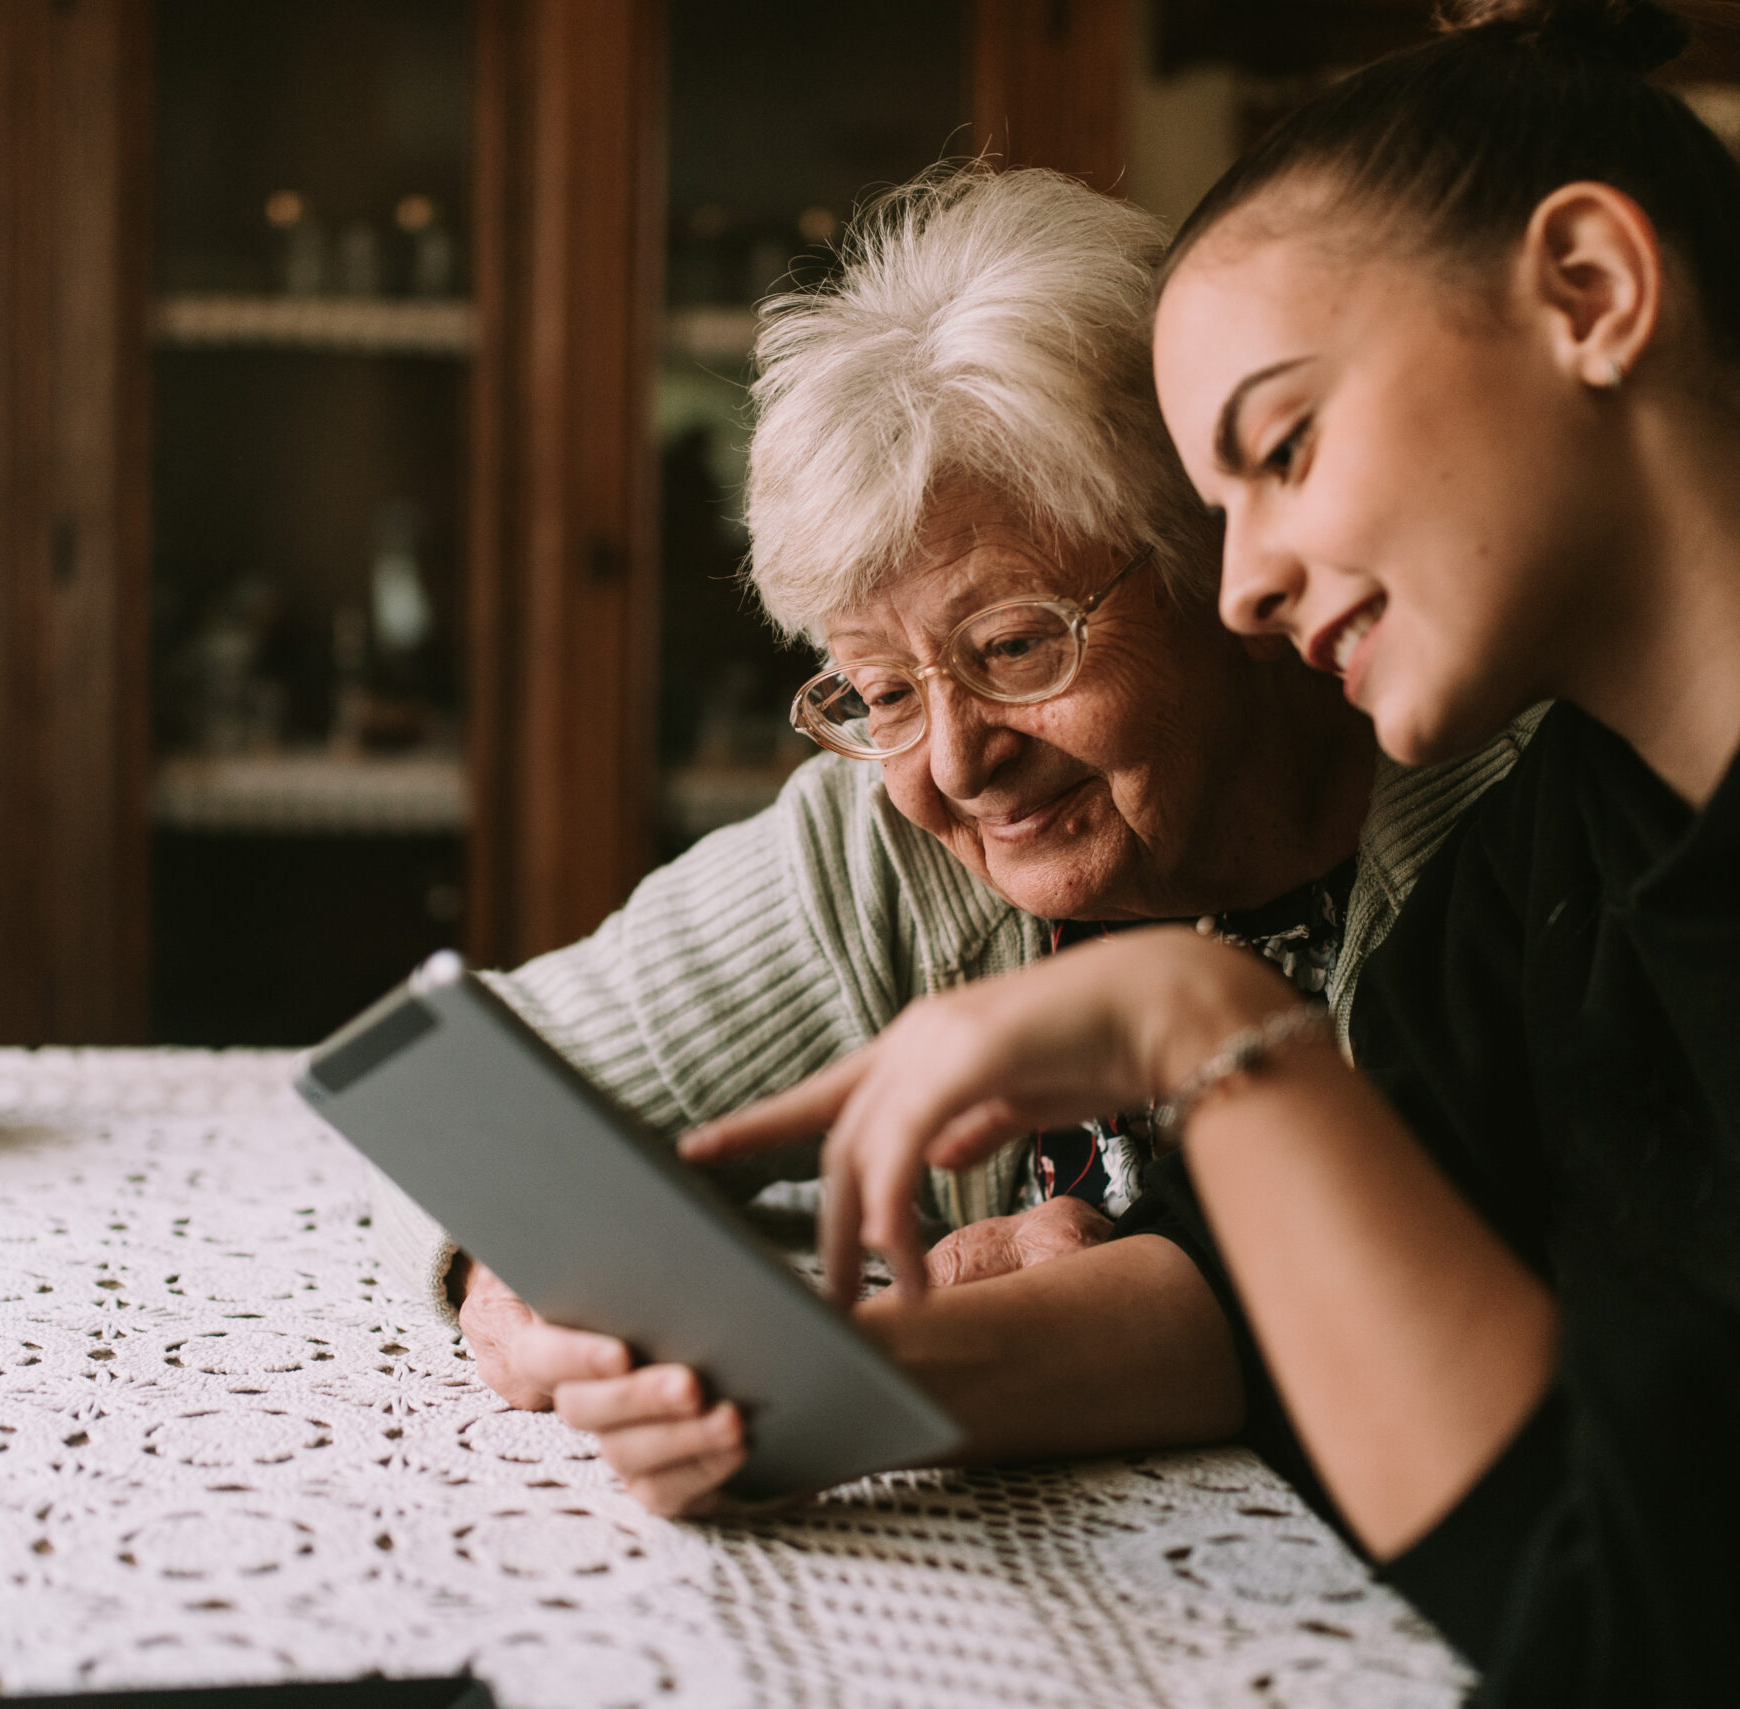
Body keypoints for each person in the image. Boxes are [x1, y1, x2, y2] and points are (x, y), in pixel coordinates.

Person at [688, 3, 1740, 1701]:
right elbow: (1267, 1284)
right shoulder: (1587, 817)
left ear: (1589, 292)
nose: (1248, 585)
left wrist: (1207, 1028)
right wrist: (802, 1377)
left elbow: (1656, 1618)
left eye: (1281, 452)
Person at [361, 166, 1533, 1514]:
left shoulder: (1504, 825)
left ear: (1218, 558)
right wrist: (506, 1280)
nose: (960, 761)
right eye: (880, 691)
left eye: (1017, 645)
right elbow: (459, 1093)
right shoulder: (881, 856)